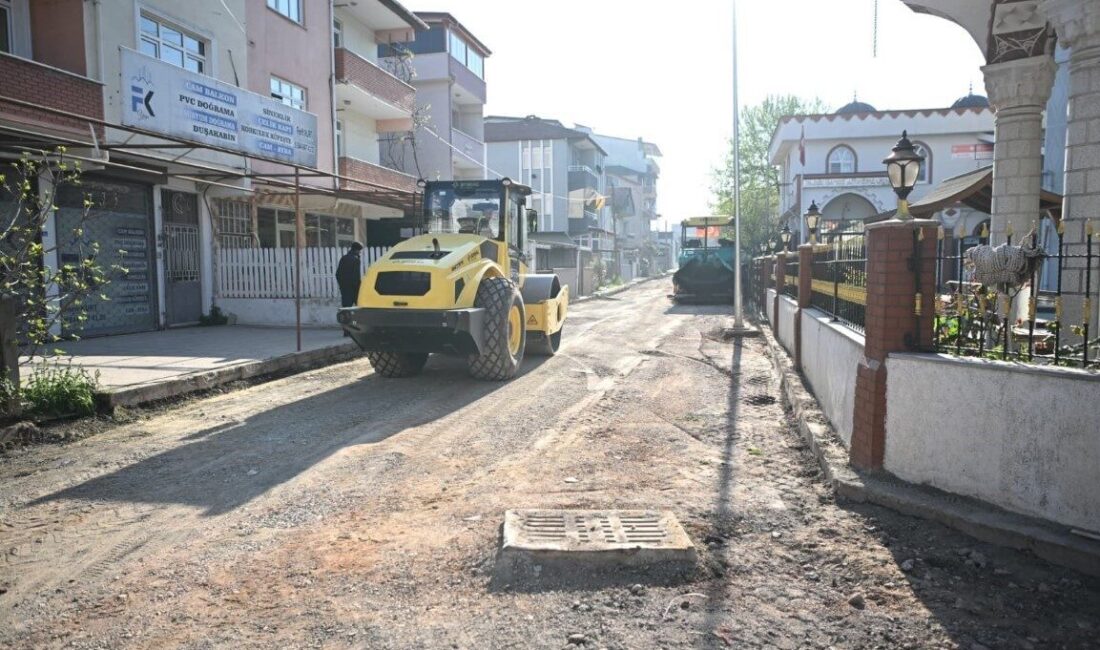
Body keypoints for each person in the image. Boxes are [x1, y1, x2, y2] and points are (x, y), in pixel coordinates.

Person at [336, 243, 363, 335]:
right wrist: (359, 288)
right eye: (359, 251)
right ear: (357, 250)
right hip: (354, 290)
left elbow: (337, 274)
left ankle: (346, 331)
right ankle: (357, 329)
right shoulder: (356, 260)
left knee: (345, 311)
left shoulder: (343, 258)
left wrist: (342, 286)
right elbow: (356, 277)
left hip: (345, 289)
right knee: (358, 311)